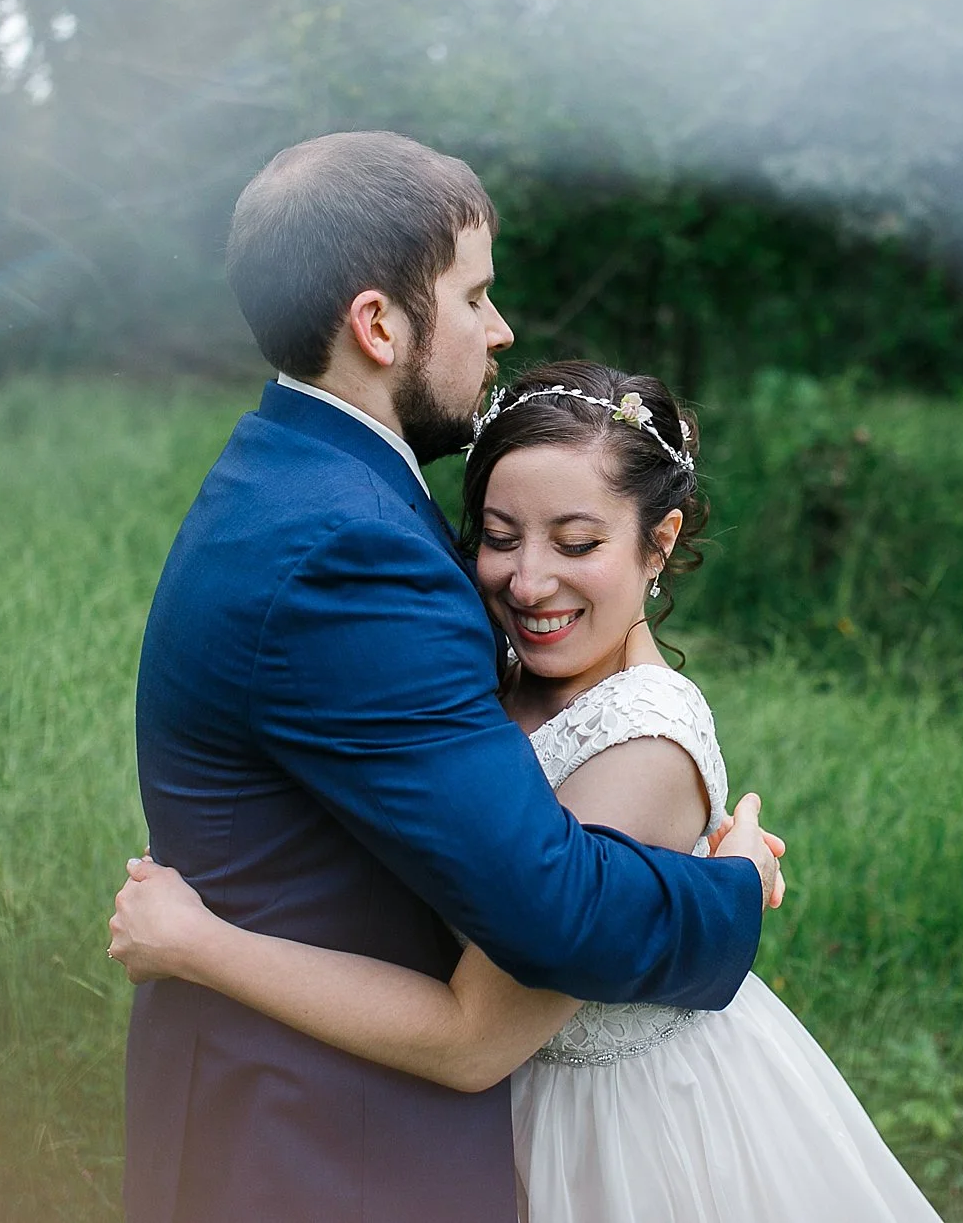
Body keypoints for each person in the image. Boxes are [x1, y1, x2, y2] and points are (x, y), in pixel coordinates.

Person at [121, 133, 784, 1223]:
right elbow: (549, 908)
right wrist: (729, 884)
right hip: (322, 1141)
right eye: (473, 296)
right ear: (379, 325)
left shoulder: (299, 475)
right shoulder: (347, 545)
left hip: (292, 1099)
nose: (499, 329)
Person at [112, 360, 943, 1223]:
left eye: (577, 543)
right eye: (499, 537)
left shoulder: (644, 745)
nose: (528, 580)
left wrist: (200, 944)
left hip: (616, 1142)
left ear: (658, 543)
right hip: (490, 1124)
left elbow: (475, 1042)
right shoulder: (497, 669)